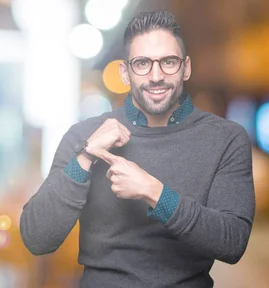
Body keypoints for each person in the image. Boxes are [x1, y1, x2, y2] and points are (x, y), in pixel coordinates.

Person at [19, 10, 255, 287]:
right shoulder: (85, 136)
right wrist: (85, 157)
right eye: (142, 63)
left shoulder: (226, 139)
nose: (156, 76)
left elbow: (232, 242)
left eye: (168, 62)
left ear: (186, 67)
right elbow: (37, 238)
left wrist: (153, 192)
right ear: (125, 72)